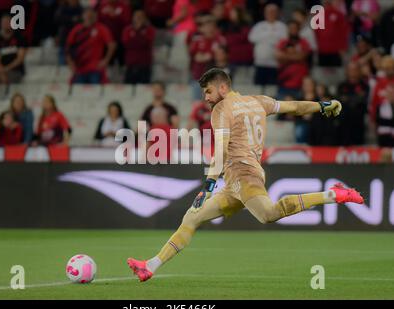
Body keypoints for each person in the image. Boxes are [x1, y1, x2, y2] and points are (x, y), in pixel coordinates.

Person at [127, 68, 364, 282]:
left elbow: (220, 147)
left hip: (243, 174)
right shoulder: (258, 101)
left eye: (208, 91)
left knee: (268, 214)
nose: (206, 98)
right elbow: (295, 107)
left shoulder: (221, 108)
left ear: (222, 87)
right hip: (235, 181)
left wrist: (209, 184)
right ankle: (151, 266)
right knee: (192, 217)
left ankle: (334, 194)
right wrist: (322, 106)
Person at [66, 7, 116, 84]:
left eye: (91, 15)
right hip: (79, 69)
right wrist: (70, 62)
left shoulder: (101, 28)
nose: (89, 17)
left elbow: (112, 45)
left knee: (95, 93)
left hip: (95, 69)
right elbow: (68, 48)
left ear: (95, 16)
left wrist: (106, 60)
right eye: (87, 15)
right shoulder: (76, 29)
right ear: (83, 16)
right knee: (78, 93)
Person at [248, 3, 287, 87]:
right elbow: (251, 38)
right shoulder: (259, 25)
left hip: (275, 64)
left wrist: (265, 38)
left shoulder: (282, 26)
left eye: (273, 12)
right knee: (257, 90)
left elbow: (284, 40)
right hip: (260, 63)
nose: (270, 14)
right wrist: (269, 36)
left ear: (277, 13)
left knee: (272, 89)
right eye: (268, 12)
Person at [275, 20, 311, 100]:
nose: (293, 30)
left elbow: (302, 56)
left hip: (300, 85)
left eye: (295, 28)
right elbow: (278, 56)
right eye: (291, 28)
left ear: (299, 29)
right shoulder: (283, 42)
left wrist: (286, 56)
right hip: (284, 84)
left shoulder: (303, 42)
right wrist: (295, 56)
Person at [336, 62, 368, 145]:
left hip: (359, 122)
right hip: (344, 123)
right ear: (346, 71)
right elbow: (339, 102)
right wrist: (356, 98)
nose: (353, 72)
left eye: (355, 69)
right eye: (350, 70)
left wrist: (348, 99)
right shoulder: (341, 86)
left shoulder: (364, 85)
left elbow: (363, 101)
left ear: (359, 71)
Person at [122, 10, 155, 84]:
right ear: (133, 18)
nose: (138, 18)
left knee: (144, 89)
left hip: (145, 64)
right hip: (131, 64)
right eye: (136, 16)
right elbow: (127, 44)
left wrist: (137, 32)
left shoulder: (150, 30)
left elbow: (146, 43)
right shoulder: (127, 30)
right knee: (128, 88)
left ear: (145, 18)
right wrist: (139, 34)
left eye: (140, 17)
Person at [0, 14, 27, 84]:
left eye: (7, 22)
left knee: (10, 80)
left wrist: (6, 69)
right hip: (2, 72)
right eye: (3, 23)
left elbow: (20, 59)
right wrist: (1, 72)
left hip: (16, 71)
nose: (5, 25)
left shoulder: (19, 38)